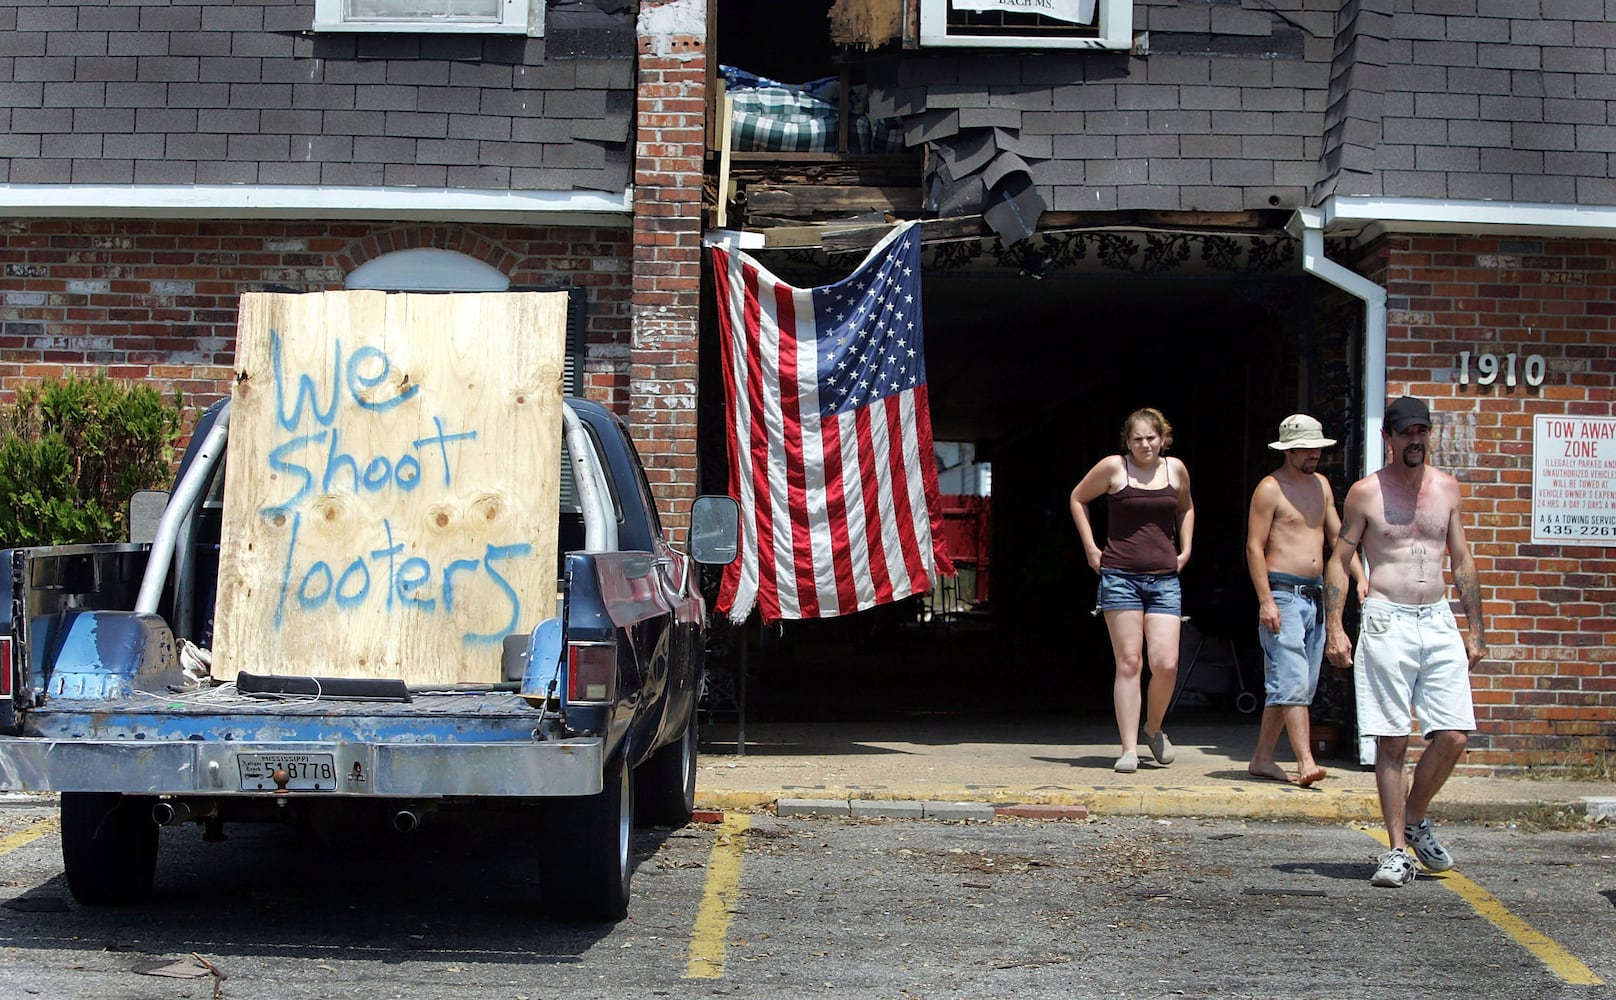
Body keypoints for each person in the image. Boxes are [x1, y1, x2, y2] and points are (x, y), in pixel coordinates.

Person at [1324, 395, 1487, 888]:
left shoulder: (1447, 488)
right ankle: (1396, 850)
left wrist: (1475, 628)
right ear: (1388, 438)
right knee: (1392, 738)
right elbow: (1338, 560)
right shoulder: (1365, 493)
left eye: (1422, 431)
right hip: (1387, 617)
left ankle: (1415, 817)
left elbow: (1461, 560)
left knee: (1454, 734)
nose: (1415, 440)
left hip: (1437, 617)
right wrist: (1336, 625)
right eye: (1406, 432)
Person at [1070, 407, 1194, 773]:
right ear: (1127, 441)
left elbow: (1186, 507)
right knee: (1129, 661)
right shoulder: (1113, 468)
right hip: (1120, 576)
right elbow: (1078, 498)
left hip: (1165, 578)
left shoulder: (1176, 469)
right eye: (1137, 439)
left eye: (1151, 438)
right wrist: (1092, 548)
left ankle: (1153, 728)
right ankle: (1127, 748)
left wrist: (1186, 549)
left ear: (1163, 438)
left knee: (1166, 663)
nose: (1145, 445)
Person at [1245, 414, 1361, 787]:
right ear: (1288, 449)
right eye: (1307, 450)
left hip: (1314, 596)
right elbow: (1254, 547)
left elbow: (1339, 540)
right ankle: (1305, 760)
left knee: (1295, 685)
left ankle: (1262, 758)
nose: (1314, 455)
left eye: (1317, 449)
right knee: (1292, 681)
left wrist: (1361, 578)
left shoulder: (1322, 486)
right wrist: (1266, 600)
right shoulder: (1270, 488)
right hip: (1282, 593)